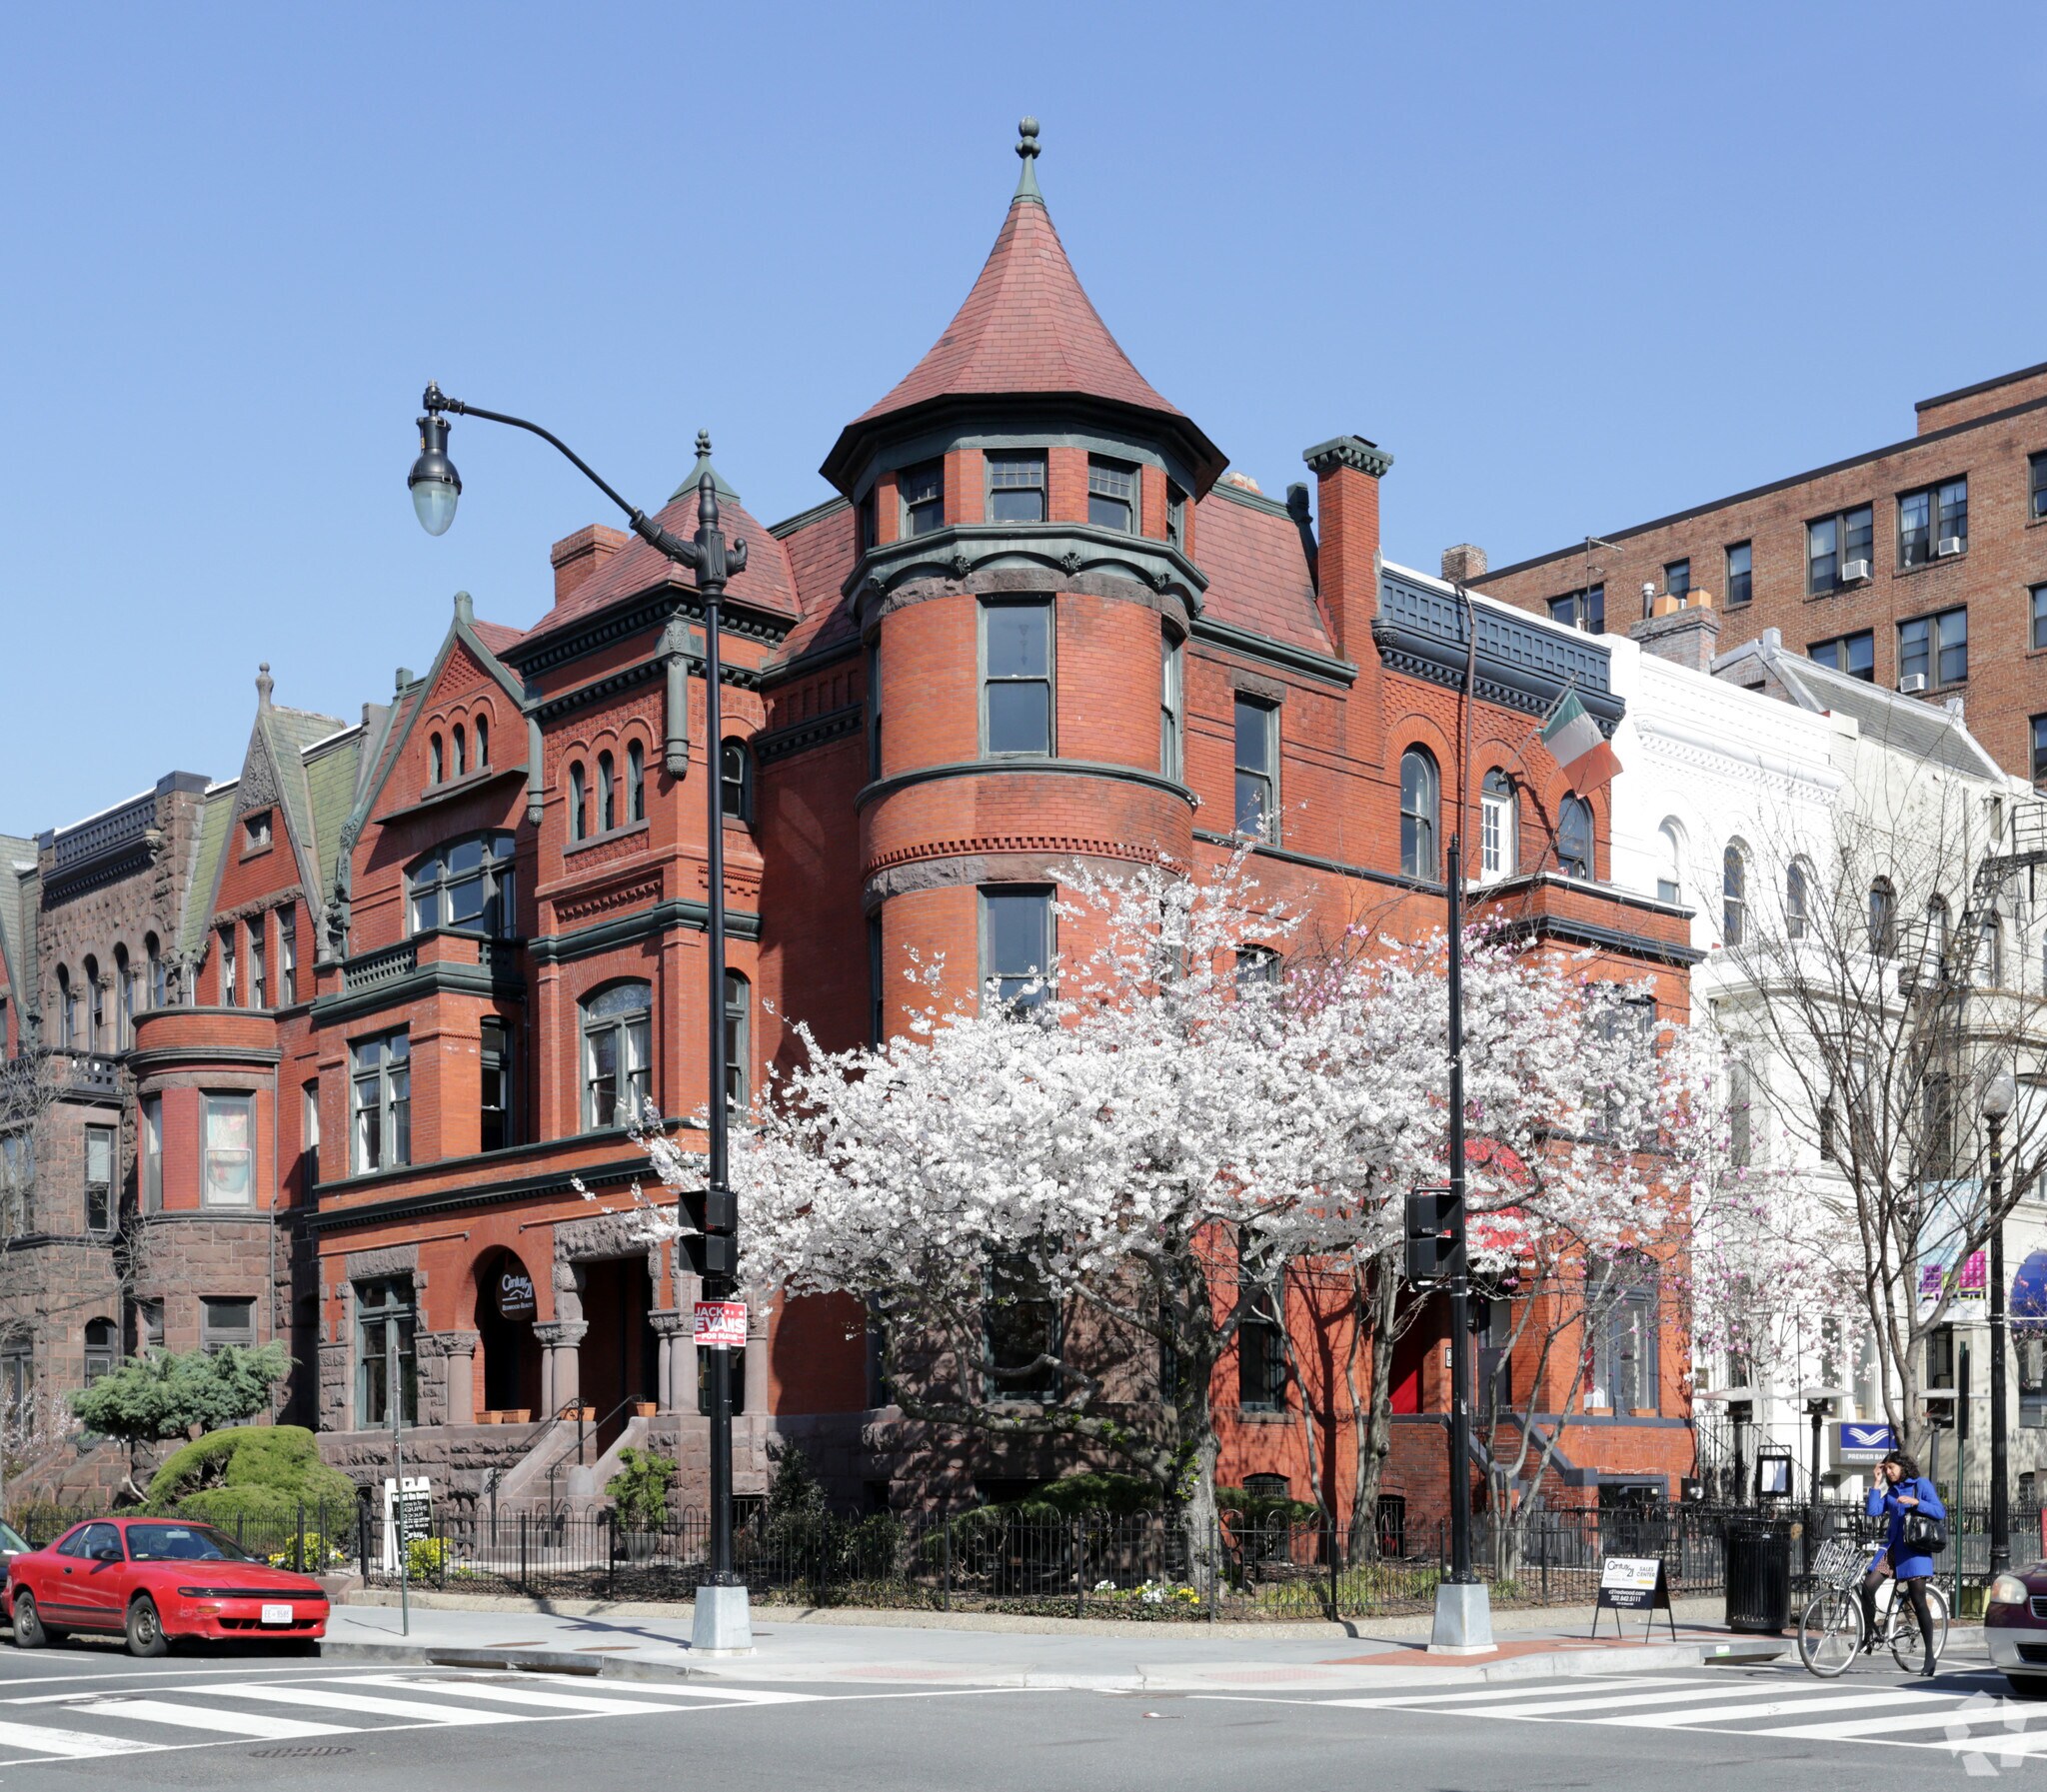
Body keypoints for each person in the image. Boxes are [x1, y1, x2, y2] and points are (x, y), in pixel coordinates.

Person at [1862, 1449, 1944, 1676]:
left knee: (1918, 1600)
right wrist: (1876, 1483)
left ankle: (1930, 1656)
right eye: (1886, 1468)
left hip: (1915, 1551)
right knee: (1867, 1587)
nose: (1888, 1471)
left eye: (1891, 1468)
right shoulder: (1891, 1490)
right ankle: (1869, 1634)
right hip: (1893, 1550)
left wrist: (1917, 1502)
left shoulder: (1921, 1485)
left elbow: (1940, 1512)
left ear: (1903, 1467)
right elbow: (1873, 1511)